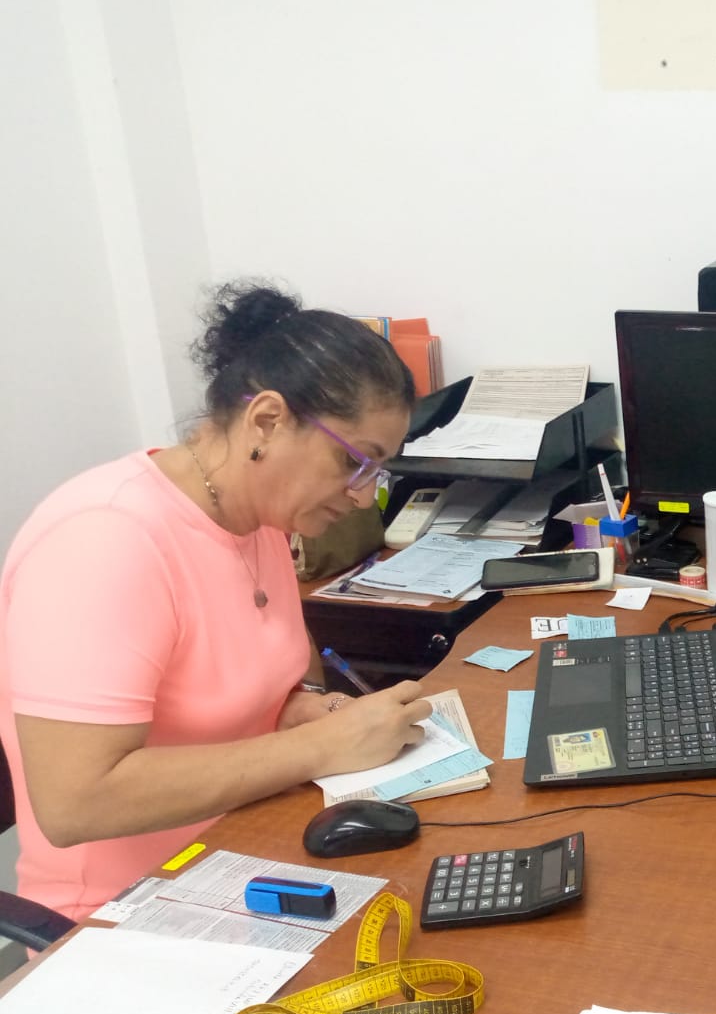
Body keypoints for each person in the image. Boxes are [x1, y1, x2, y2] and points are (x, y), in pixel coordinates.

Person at [1, 281, 433, 922]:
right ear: (267, 421)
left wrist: (301, 710)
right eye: (355, 462)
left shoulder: (260, 520)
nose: (364, 496)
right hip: (121, 910)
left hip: (246, 850)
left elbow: (258, 681)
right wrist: (321, 746)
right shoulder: (104, 538)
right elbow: (74, 803)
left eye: (378, 471)